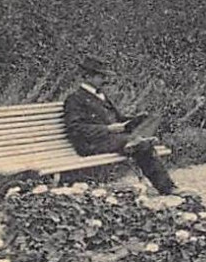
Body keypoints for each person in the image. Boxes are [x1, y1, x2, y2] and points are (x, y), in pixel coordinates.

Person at [62, 56, 178, 194]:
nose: (106, 80)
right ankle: (167, 188)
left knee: (150, 123)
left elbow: (118, 119)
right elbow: (75, 128)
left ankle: (137, 141)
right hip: (90, 143)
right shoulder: (75, 99)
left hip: (111, 139)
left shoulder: (102, 96)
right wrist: (107, 128)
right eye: (101, 76)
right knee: (142, 146)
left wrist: (136, 119)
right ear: (87, 76)